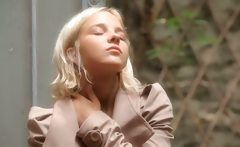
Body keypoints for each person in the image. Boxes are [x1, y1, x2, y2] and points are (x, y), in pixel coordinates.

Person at [27, 7, 174, 147]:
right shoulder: (46, 125)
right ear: (72, 54)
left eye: (121, 36)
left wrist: (94, 120)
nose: (115, 37)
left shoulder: (150, 104)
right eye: (98, 32)